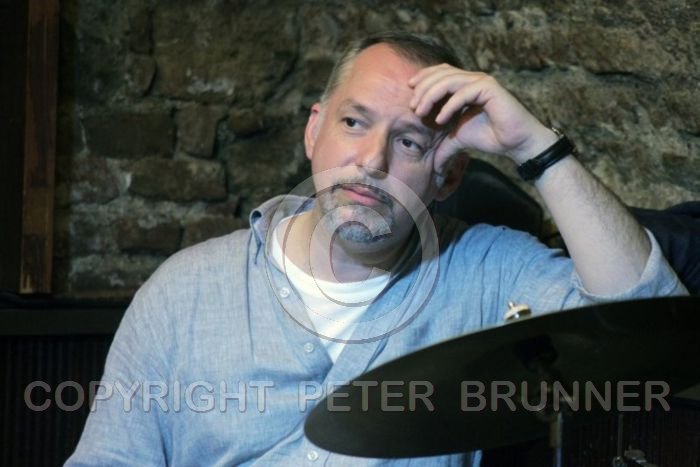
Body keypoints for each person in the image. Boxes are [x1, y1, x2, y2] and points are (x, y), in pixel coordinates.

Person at [66, 32, 685, 466]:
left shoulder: (488, 269)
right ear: (314, 130)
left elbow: (650, 324)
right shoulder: (184, 292)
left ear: (448, 175)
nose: (370, 161)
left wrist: (535, 147)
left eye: (410, 142)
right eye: (353, 123)